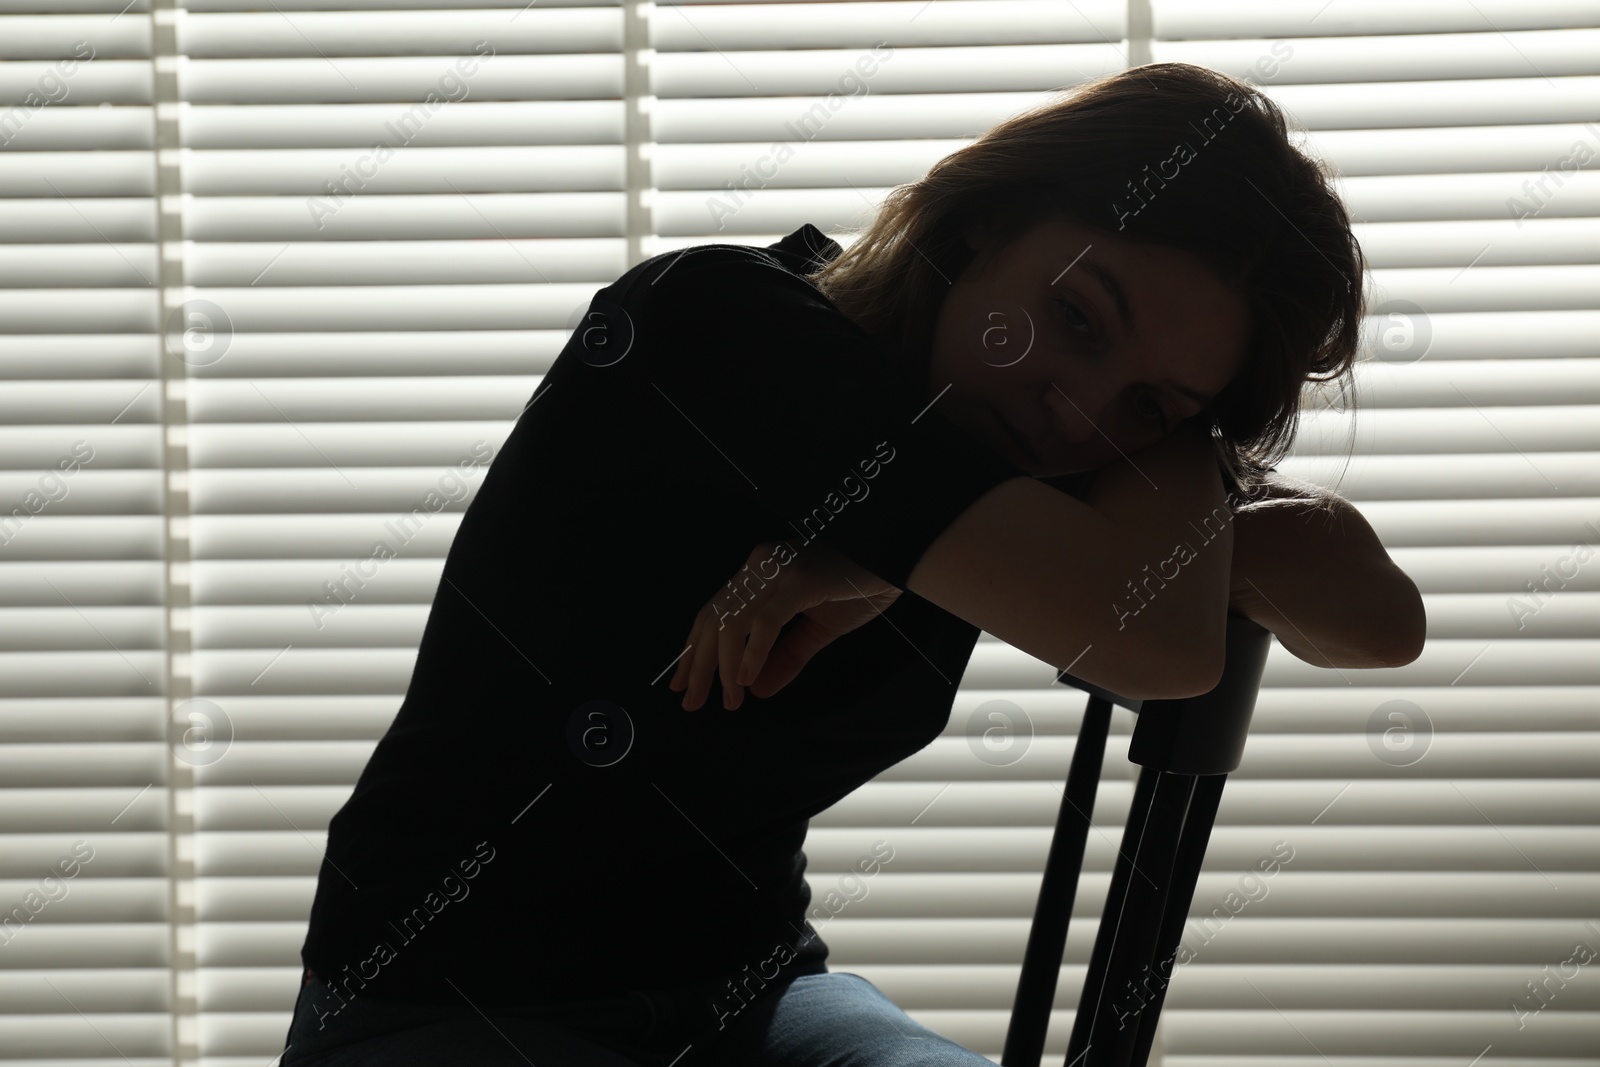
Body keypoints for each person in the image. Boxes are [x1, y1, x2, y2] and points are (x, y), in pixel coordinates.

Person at [278, 61, 1423, 1067]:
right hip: (439, 1001)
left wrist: (1169, 456)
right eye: (1074, 317)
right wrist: (1165, 460)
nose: (1076, 412)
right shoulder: (717, 325)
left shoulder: (1051, 462)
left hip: (751, 995)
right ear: (980, 224)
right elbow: (1158, 641)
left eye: (1148, 404)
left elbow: (1379, 621)